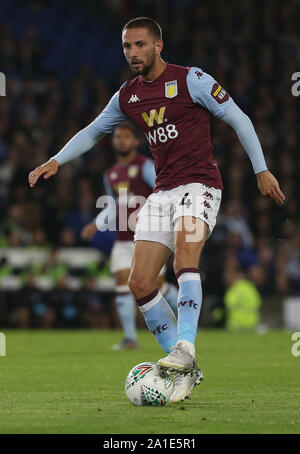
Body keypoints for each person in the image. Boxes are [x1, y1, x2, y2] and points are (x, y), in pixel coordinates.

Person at [28, 17, 285, 403]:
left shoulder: (192, 80)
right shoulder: (128, 95)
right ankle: (185, 367)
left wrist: (261, 170)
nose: (133, 53)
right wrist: (56, 160)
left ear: (158, 45)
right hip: (162, 193)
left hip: (200, 186)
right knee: (140, 283)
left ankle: (185, 348)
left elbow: (239, 119)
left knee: (185, 260)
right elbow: (93, 130)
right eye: (127, 46)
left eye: (140, 45)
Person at [81, 121, 178, 350]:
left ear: (135, 141)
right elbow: (114, 206)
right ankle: (130, 339)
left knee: (157, 287)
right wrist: (95, 224)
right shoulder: (111, 174)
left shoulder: (145, 166)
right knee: (122, 285)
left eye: (125, 137)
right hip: (123, 239)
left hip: (149, 237)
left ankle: (185, 320)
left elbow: (162, 191)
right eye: (117, 137)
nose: (121, 140)